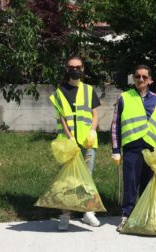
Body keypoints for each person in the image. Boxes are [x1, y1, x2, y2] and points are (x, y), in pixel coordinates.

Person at [111, 64, 156, 232]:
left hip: (151, 150)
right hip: (131, 148)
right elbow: (115, 126)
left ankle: (144, 216)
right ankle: (126, 216)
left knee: (148, 184)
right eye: (137, 76)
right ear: (133, 78)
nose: (141, 79)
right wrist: (116, 150)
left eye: (144, 77)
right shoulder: (124, 97)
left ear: (150, 79)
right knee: (130, 183)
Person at [49, 55, 101, 230]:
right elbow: (62, 117)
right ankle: (65, 214)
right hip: (68, 143)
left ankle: (88, 212)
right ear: (66, 68)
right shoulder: (60, 91)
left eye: (78, 67)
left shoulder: (89, 90)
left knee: (87, 177)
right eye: (72, 67)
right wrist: (70, 137)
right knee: (67, 179)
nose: (75, 70)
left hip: (87, 142)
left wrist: (93, 130)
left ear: (83, 69)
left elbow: (95, 115)